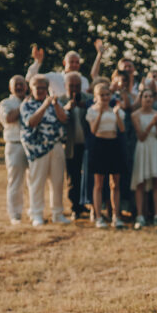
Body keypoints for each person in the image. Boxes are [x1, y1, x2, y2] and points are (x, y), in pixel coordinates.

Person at [20, 75, 70, 226]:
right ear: (31, 88)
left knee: (57, 182)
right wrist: (44, 105)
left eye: (43, 87)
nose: (41, 90)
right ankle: (36, 214)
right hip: (37, 148)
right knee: (37, 182)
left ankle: (57, 213)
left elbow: (64, 119)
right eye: (38, 87)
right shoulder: (27, 105)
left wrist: (54, 105)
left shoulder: (56, 103)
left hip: (55, 145)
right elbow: (31, 122)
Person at [130, 89, 157, 228]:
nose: (148, 99)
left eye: (150, 97)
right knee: (141, 181)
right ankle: (140, 215)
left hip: (156, 147)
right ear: (141, 99)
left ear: (154, 100)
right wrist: (151, 124)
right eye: (145, 96)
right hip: (143, 147)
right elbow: (141, 136)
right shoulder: (135, 115)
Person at [86, 83, 127, 228]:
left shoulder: (116, 110)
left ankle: (116, 215)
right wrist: (101, 113)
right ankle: (98, 216)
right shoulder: (92, 111)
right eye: (102, 95)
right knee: (98, 183)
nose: (105, 97)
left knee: (115, 183)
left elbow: (122, 129)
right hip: (99, 145)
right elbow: (93, 130)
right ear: (96, 97)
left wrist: (116, 113)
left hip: (113, 145)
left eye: (107, 94)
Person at [0, 75, 30, 225]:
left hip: (32, 145)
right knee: (15, 181)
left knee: (34, 181)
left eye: (21, 84)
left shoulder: (32, 100)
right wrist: (24, 106)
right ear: (10, 88)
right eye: (16, 85)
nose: (19, 87)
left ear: (26, 86)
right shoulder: (6, 103)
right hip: (15, 144)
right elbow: (9, 118)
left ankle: (34, 211)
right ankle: (15, 214)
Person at [62, 72, 91, 220]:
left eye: (77, 86)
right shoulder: (61, 100)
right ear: (66, 86)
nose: (74, 88)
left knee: (87, 176)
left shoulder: (87, 99)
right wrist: (67, 108)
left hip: (86, 145)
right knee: (73, 177)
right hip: (70, 146)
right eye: (71, 86)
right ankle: (75, 207)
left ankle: (88, 204)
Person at [26, 43, 95, 97]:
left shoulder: (84, 80)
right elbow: (30, 78)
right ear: (64, 63)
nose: (74, 65)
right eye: (71, 62)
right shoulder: (53, 77)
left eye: (77, 62)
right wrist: (37, 62)